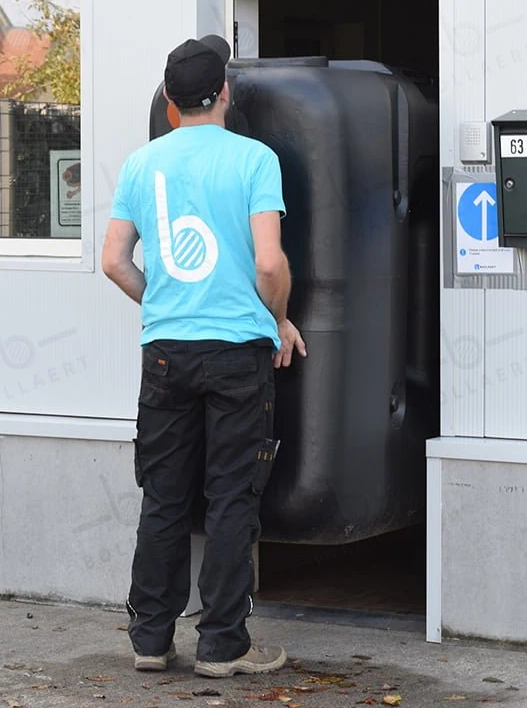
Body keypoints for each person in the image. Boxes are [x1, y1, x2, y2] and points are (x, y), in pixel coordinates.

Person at [101, 34, 306, 679]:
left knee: (162, 495)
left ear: (169, 102)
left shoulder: (141, 164)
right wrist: (275, 321)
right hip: (237, 352)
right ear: (224, 94)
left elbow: (112, 261)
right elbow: (268, 261)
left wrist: (162, 302)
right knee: (229, 497)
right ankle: (222, 645)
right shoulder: (255, 159)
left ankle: (150, 640)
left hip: (165, 351)